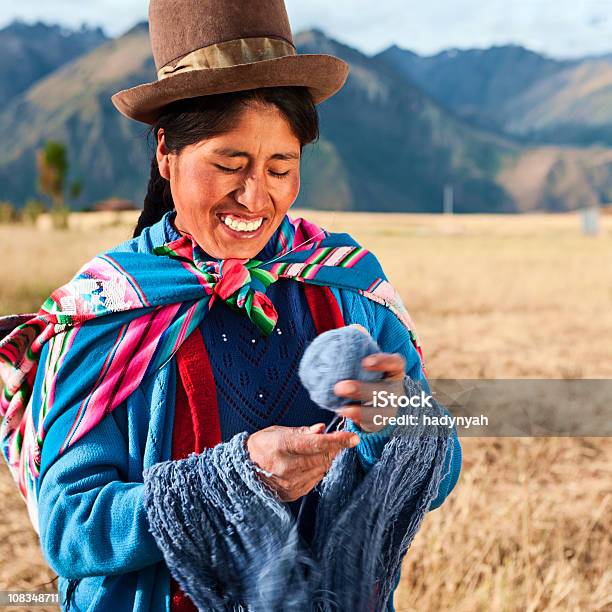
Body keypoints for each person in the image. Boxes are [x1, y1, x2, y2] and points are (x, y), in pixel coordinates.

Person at [0, 1, 461, 610]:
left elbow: (439, 468)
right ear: (166, 153)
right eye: (229, 164)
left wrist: (394, 414)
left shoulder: (347, 288)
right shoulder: (106, 312)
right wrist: (234, 481)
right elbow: (72, 528)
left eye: (281, 167)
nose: (255, 196)